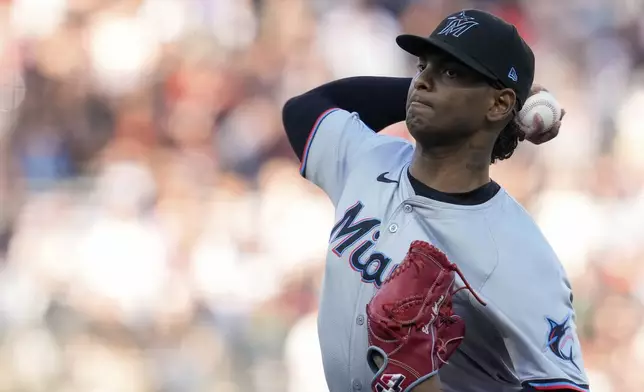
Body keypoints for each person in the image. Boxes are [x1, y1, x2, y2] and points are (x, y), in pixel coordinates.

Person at [281, 8, 588, 392]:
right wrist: (429, 91)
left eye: (451, 72)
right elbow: (306, 107)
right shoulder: (368, 158)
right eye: (422, 67)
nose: (423, 81)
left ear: (497, 104)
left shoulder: (519, 252)